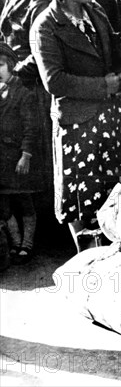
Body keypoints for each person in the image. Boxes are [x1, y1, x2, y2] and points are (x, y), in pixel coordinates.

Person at [31, 0, 121, 249]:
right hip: (78, 126)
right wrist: (104, 85)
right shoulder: (46, 26)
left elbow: (117, 52)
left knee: (114, 196)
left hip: (109, 121)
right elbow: (55, 81)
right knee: (80, 202)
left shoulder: (96, 12)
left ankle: (114, 261)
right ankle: (86, 261)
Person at [0, 43, 42, 264]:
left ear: (12, 65)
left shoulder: (22, 93)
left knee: (25, 199)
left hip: (17, 157)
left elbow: (30, 127)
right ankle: (15, 243)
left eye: (1, 65)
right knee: (4, 205)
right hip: (1, 160)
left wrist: (25, 154)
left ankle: (27, 244)